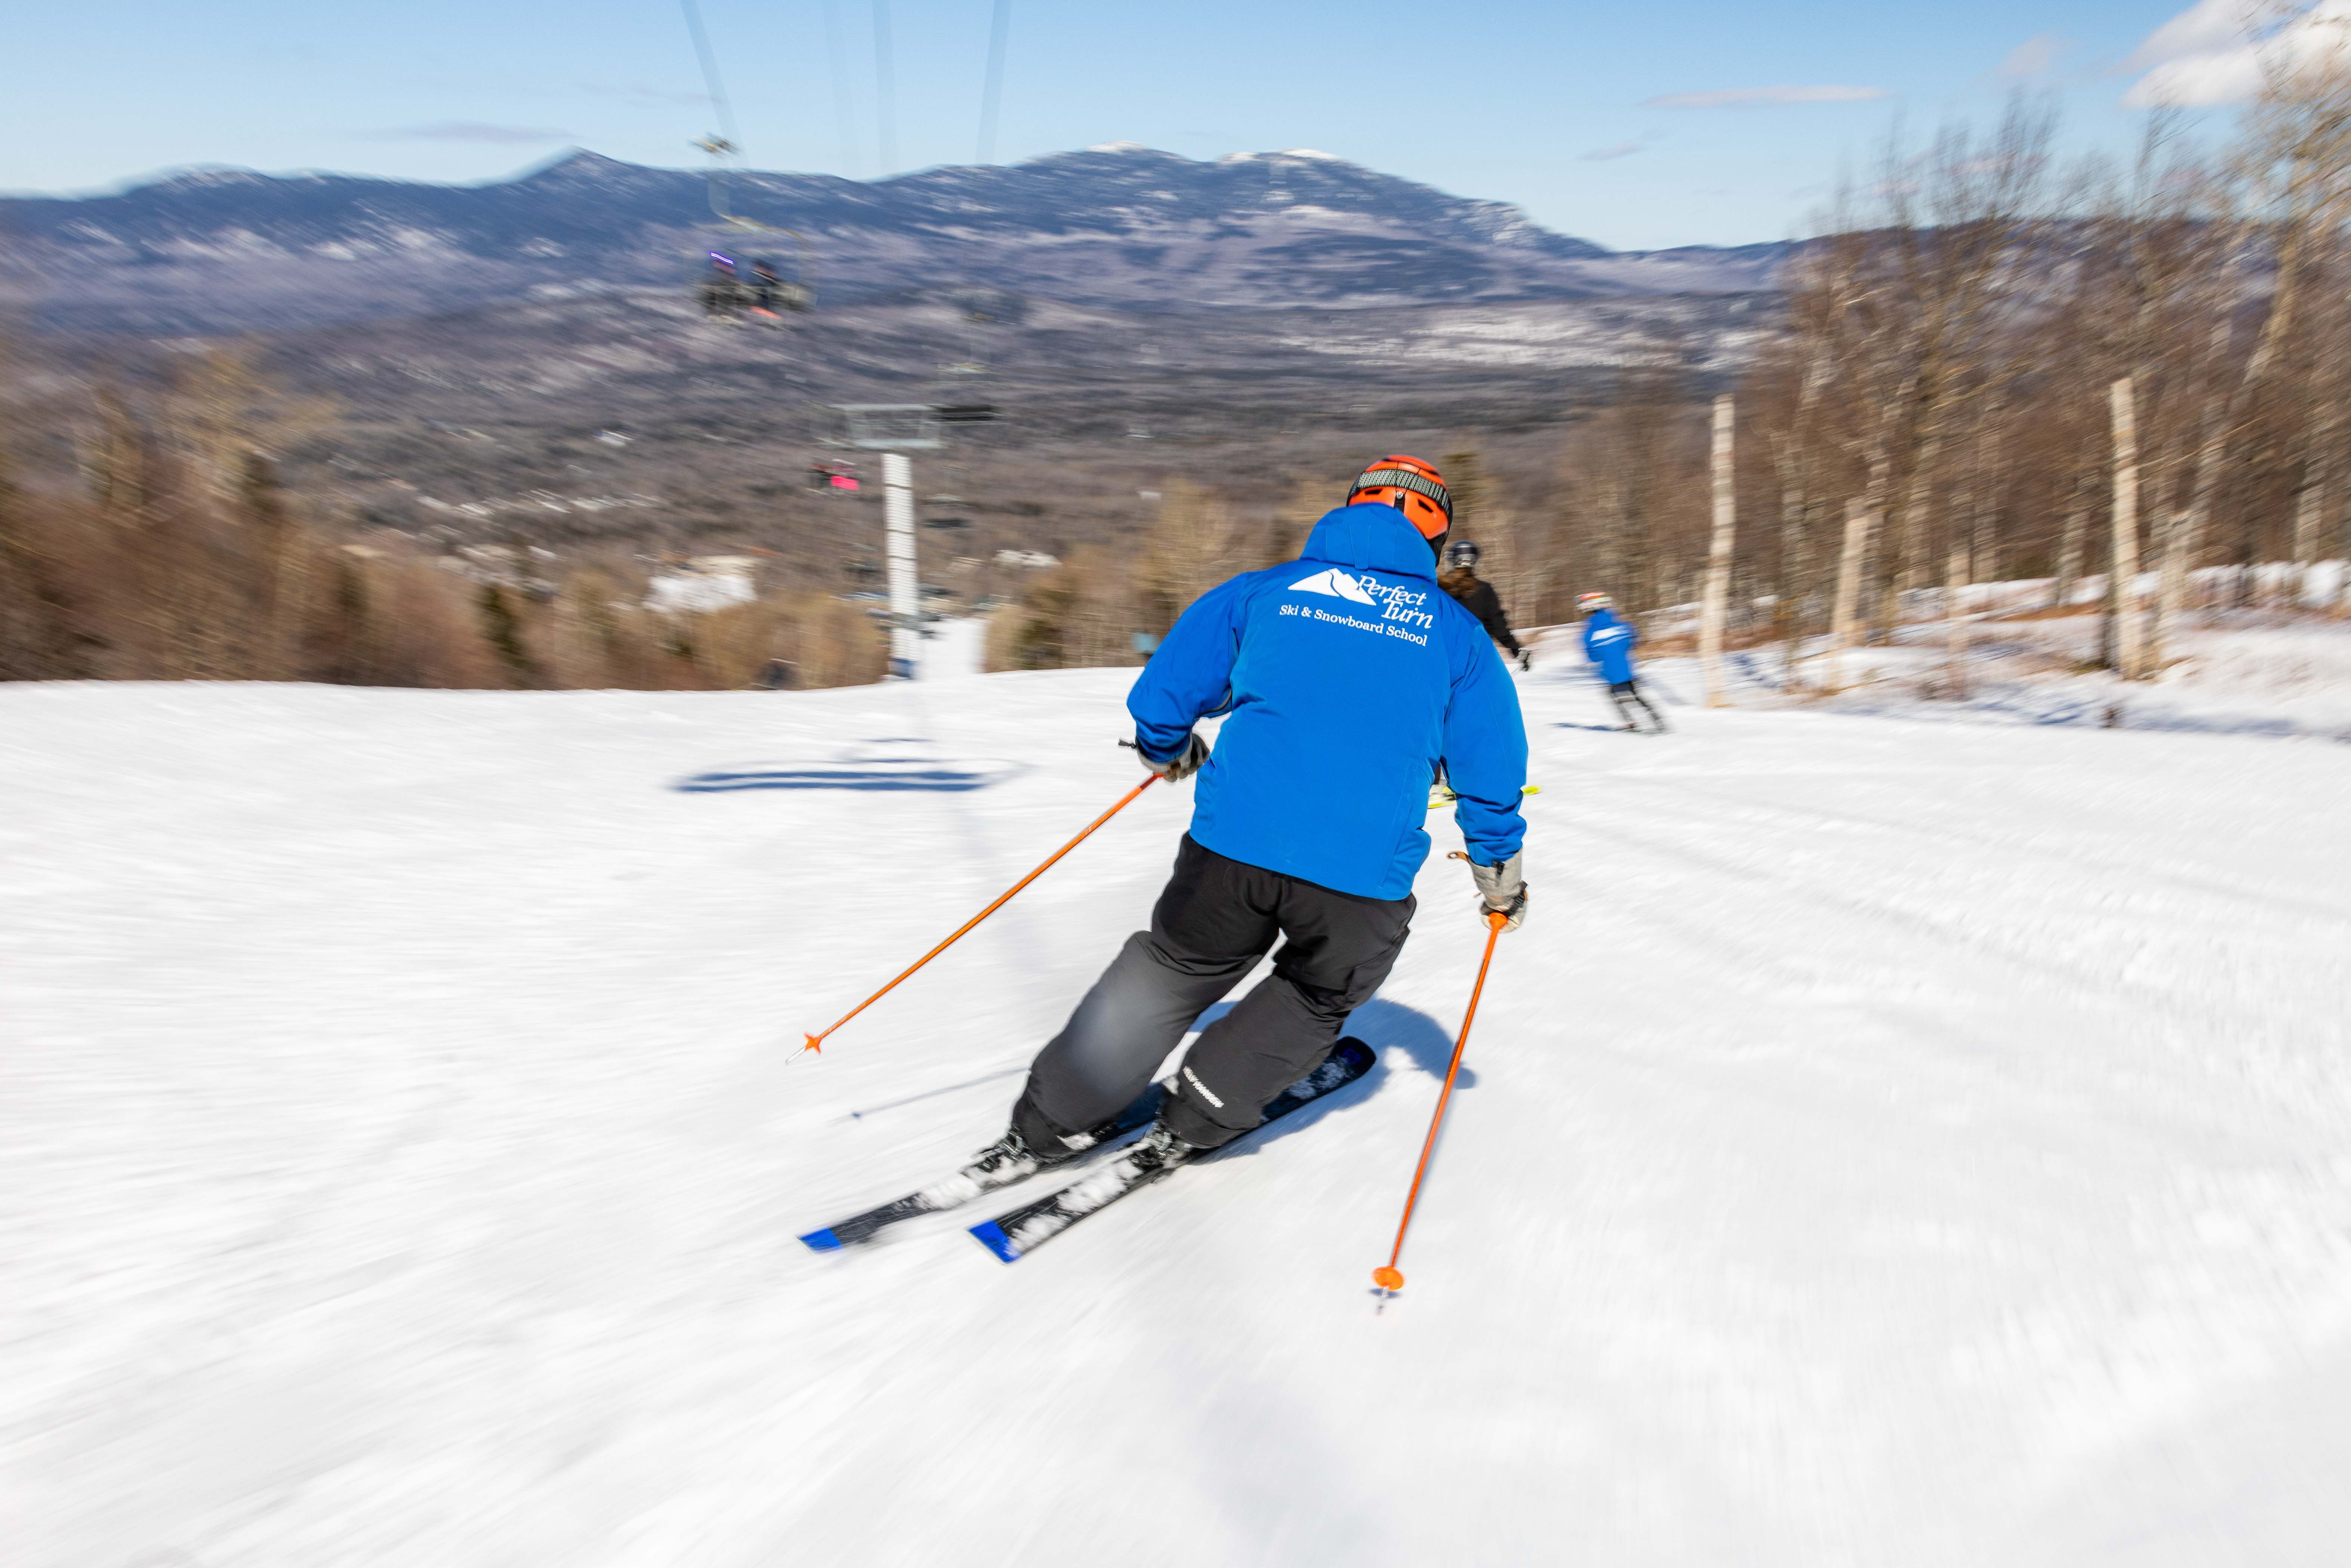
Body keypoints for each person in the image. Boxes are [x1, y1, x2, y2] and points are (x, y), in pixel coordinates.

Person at [961, 455, 1531, 1189]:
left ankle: (1050, 1119)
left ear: (1349, 509)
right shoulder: (1456, 634)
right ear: (1435, 538)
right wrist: (1498, 877)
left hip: (1230, 850)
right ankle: (1197, 1116)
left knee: (1174, 967)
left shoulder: (1265, 592)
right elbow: (1491, 771)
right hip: (1359, 875)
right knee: (1317, 992)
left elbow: (1163, 698)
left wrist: (1168, 751)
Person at [1579, 591, 1666, 732]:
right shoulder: (1623, 625)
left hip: (1610, 672)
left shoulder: (1590, 633)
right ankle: (1657, 720)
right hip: (1628, 669)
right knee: (1635, 695)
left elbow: (1593, 657)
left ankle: (1631, 723)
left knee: (1616, 696)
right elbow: (1633, 641)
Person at [1438, 540, 1530, 671]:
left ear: (1452, 561)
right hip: (1475, 659)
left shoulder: (1438, 590)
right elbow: (1499, 627)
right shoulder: (1485, 590)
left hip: (1442, 657)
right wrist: (1517, 650)